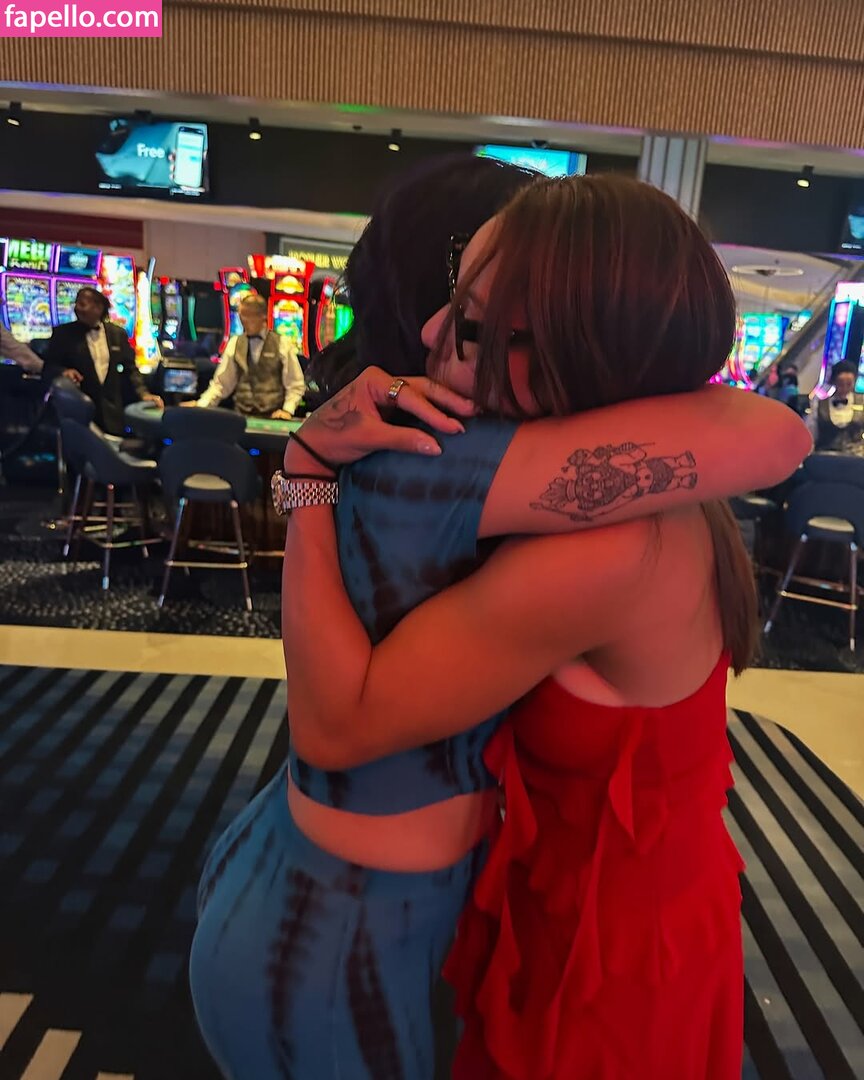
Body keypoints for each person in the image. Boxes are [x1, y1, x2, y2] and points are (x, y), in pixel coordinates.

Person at [190, 164, 810, 1080]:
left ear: (579, 353)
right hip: (583, 901)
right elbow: (769, 431)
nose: (431, 333)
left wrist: (306, 471)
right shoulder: (656, 493)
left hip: (604, 948)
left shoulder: (605, 539)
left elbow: (336, 726)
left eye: (473, 323)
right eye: (451, 299)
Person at [42, 286, 162, 435]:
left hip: (112, 413)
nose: (77, 308)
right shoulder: (63, 334)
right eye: (76, 303)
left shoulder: (118, 334)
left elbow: (131, 369)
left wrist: (144, 394)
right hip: (78, 413)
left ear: (98, 308)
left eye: (82, 304)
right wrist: (64, 372)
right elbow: (48, 367)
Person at [185, 292, 305, 419]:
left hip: (273, 417)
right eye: (242, 315)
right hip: (242, 416)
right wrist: (201, 405)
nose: (244, 321)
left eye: (249, 315)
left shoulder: (282, 343)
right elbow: (221, 384)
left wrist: (287, 410)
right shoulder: (234, 343)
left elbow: (295, 384)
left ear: (263, 315)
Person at [807, 360, 864, 452]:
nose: (845, 388)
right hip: (825, 455)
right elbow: (811, 433)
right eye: (841, 384)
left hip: (855, 456)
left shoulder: (862, 403)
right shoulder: (819, 405)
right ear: (834, 381)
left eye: (849, 384)